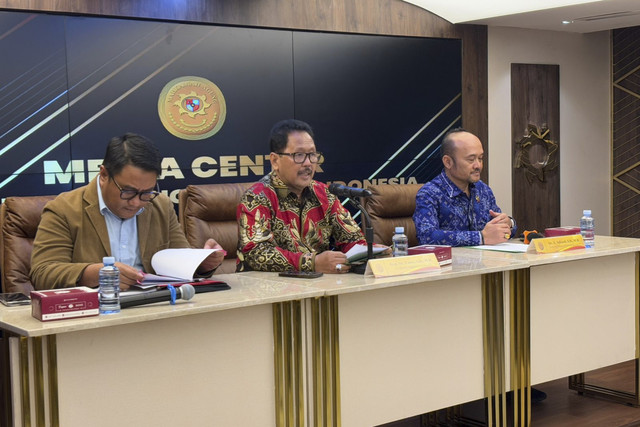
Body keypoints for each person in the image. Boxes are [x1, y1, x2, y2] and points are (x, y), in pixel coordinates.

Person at [30, 133, 225, 290]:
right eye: (128, 192)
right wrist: (97, 273)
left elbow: (178, 263)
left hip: (153, 309)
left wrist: (201, 265)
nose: (135, 202)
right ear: (104, 175)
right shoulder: (64, 208)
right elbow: (42, 274)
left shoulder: (161, 206)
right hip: (94, 316)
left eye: (146, 193)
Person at [236, 119, 367, 274]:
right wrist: (312, 263)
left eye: (312, 155)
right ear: (275, 160)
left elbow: (351, 239)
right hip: (267, 289)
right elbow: (257, 253)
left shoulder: (324, 194)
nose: (308, 163)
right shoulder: (257, 197)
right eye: (299, 155)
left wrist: (369, 252)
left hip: (318, 286)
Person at [413, 128, 517, 246]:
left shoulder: (482, 189)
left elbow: (501, 231)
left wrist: (509, 223)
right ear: (448, 162)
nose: (478, 165)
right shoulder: (429, 194)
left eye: (480, 158)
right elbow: (426, 237)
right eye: (471, 159)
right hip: (450, 263)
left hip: (487, 260)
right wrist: (481, 237)